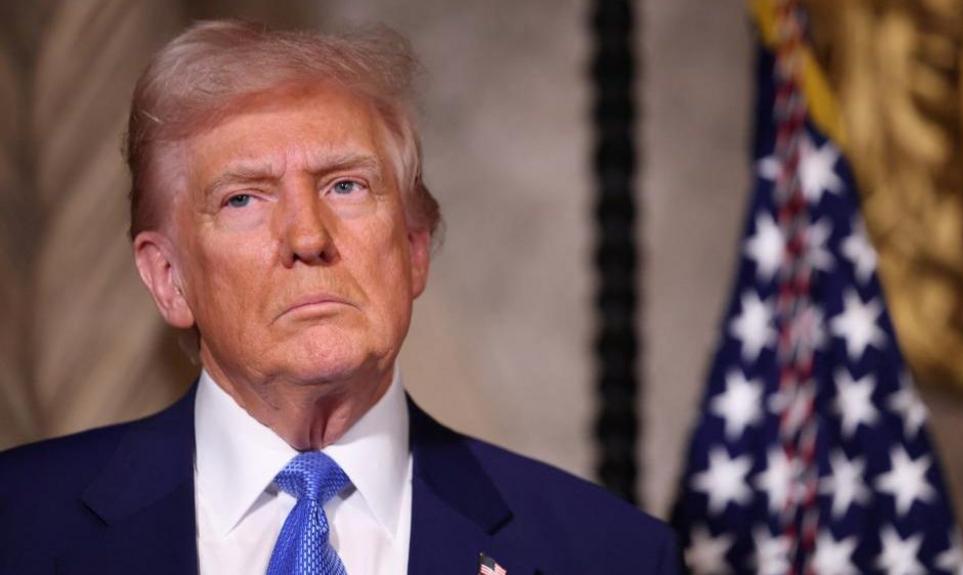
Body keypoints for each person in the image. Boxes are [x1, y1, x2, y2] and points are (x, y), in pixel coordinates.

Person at [0, 20, 680, 575]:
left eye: (345, 186)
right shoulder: (18, 523)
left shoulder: (607, 554)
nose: (306, 235)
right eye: (243, 198)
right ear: (169, 278)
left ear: (414, 247)